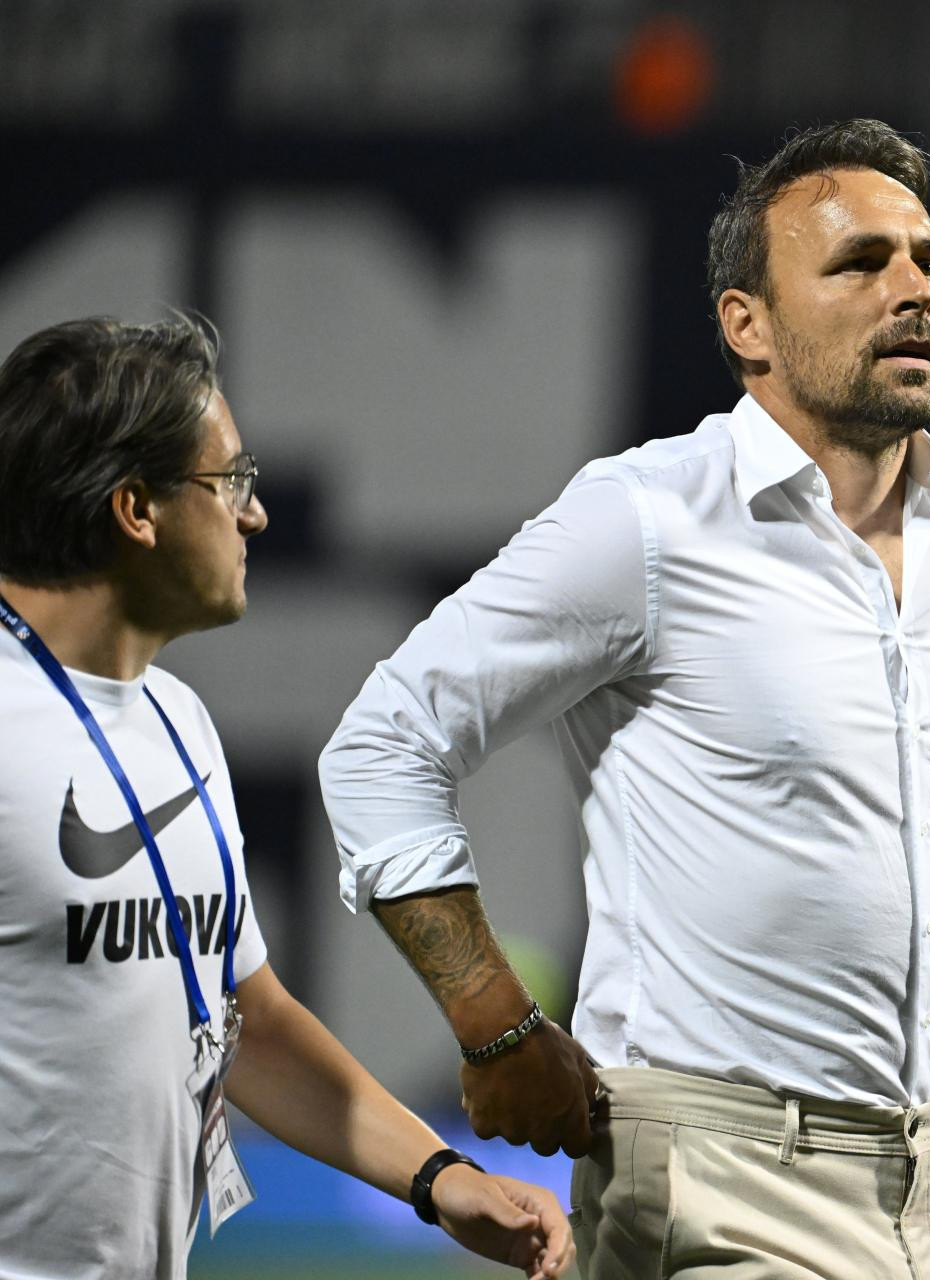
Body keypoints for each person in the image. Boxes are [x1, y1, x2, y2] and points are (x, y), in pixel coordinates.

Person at [319, 118, 930, 1278]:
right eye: (861, 263)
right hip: (719, 1178)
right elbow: (383, 742)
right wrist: (495, 1021)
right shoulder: (649, 519)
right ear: (746, 325)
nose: (913, 288)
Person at [0, 315, 574, 1280]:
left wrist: (439, 1177)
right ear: (136, 508)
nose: (255, 514)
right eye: (230, 480)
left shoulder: (178, 720)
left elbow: (246, 1022)